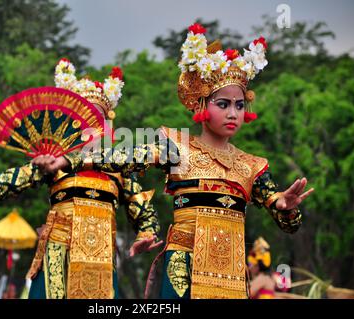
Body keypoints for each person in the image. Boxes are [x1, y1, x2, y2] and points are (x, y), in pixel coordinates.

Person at [48, 23, 314, 299]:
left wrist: (285, 206)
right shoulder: (177, 146)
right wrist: (72, 161)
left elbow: (290, 225)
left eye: (239, 105)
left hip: (231, 278)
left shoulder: (251, 165)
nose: (233, 112)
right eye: (223, 104)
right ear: (200, 105)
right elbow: (126, 156)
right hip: (183, 270)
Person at [0, 59, 160, 299]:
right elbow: (8, 181)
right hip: (58, 253)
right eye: (84, 119)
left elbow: (144, 202)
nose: (90, 127)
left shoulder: (118, 167)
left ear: (106, 126)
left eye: (97, 120)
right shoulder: (53, 161)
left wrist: (146, 233)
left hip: (100, 262)